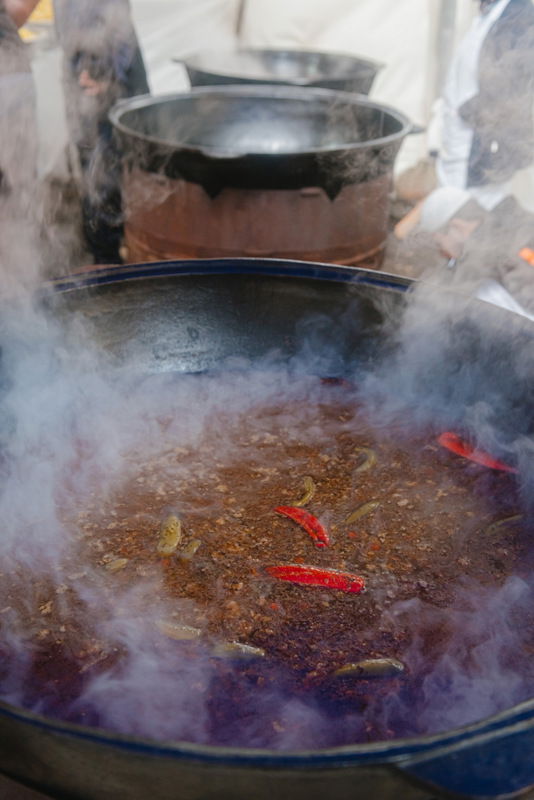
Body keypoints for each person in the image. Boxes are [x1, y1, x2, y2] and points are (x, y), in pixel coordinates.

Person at [53, 0, 149, 264]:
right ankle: (110, 266)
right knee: (103, 173)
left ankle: (116, 254)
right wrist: (98, 68)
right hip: (100, 64)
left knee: (113, 168)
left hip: (104, 58)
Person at [436, 0, 534, 211]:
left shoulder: (522, 10)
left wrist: (468, 112)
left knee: (470, 215)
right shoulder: (495, 7)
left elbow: (515, 79)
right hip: (463, 135)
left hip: (480, 142)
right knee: (458, 207)